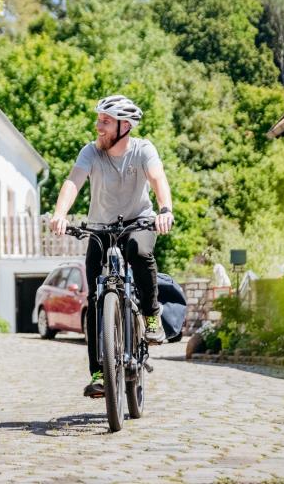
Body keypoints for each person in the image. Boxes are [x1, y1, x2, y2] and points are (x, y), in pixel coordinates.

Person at [47, 95, 175, 398]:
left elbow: (158, 179)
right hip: (100, 228)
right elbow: (73, 182)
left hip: (138, 222)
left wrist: (165, 209)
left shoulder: (143, 150)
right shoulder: (91, 152)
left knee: (139, 252)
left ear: (124, 126)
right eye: (99, 120)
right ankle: (99, 372)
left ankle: (151, 314)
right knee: (94, 298)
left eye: (105, 121)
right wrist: (60, 213)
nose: (98, 126)